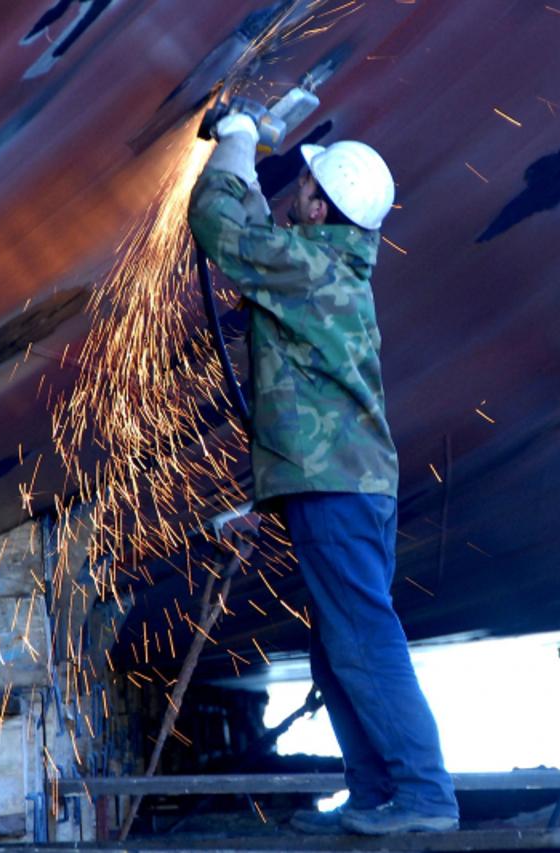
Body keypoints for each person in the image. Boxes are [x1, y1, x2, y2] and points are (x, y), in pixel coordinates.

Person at [188, 113, 459, 835]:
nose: (295, 187)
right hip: (338, 486)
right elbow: (259, 253)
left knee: (363, 639)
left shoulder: (308, 267)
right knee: (338, 649)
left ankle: (424, 794)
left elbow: (220, 231)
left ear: (316, 205)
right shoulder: (321, 262)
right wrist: (263, 501)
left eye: (302, 180)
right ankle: (375, 794)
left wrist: (239, 140)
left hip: (338, 491)